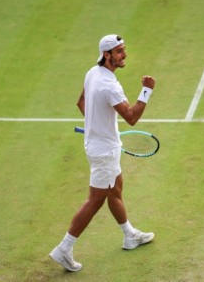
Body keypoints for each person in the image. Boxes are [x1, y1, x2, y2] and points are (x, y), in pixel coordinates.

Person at [50, 34, 156, 272]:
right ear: (107, 55)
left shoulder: (92, 73)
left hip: (99, 144)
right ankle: (64, 248)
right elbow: (131, 117)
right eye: (119, 51)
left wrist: (95, 125)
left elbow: (81, 103)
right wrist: (146, 91)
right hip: (105, 151)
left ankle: (130, 235)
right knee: (95, 200)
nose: (124, 54)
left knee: (115, 190)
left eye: (124, 49)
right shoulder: (110, 85)